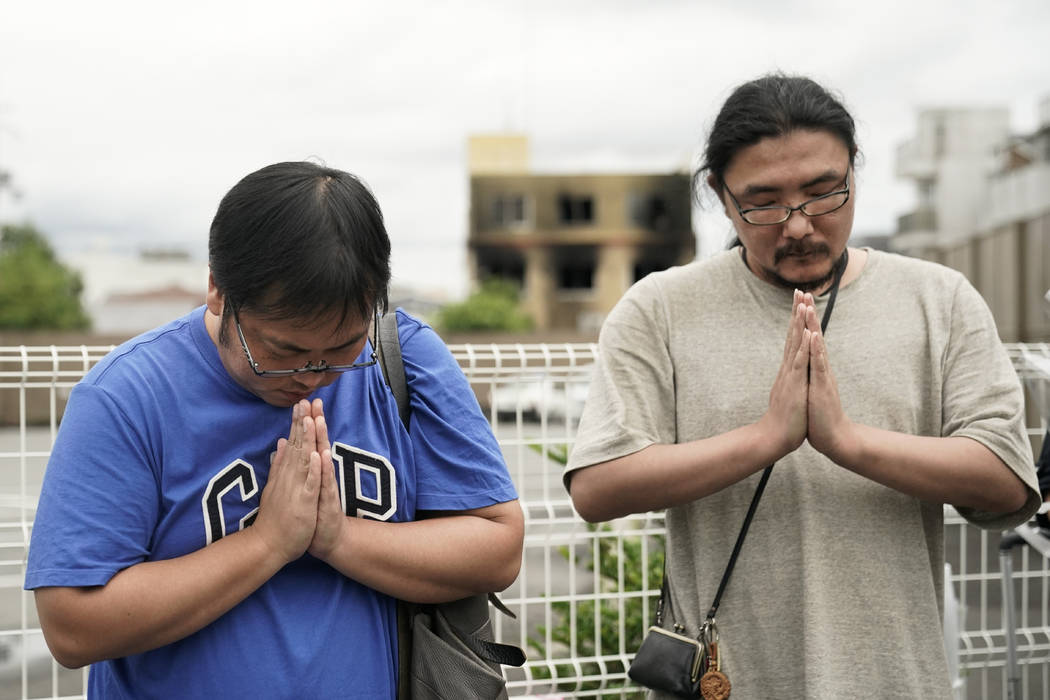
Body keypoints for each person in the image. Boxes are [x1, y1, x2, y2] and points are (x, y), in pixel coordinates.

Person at [564, 74, 1040, 699]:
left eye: (823, 193)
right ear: (720, 196)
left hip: (897, 681)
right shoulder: (660, 308)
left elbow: (1007, 480)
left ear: (854, 171)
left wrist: (846, 441)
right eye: (764, 202)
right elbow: (599, 486)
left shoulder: (938, 299)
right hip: (729, 681)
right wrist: (767, 438)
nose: (798, 225)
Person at [25, 161, 524, 699]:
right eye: (282, 351)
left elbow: (498, 545)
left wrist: (337, 538)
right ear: (218, 290)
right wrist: (267, 543)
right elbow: (72, 625)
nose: (311, 377)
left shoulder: (405, 355)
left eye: (341, 350)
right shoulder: (127, 396)